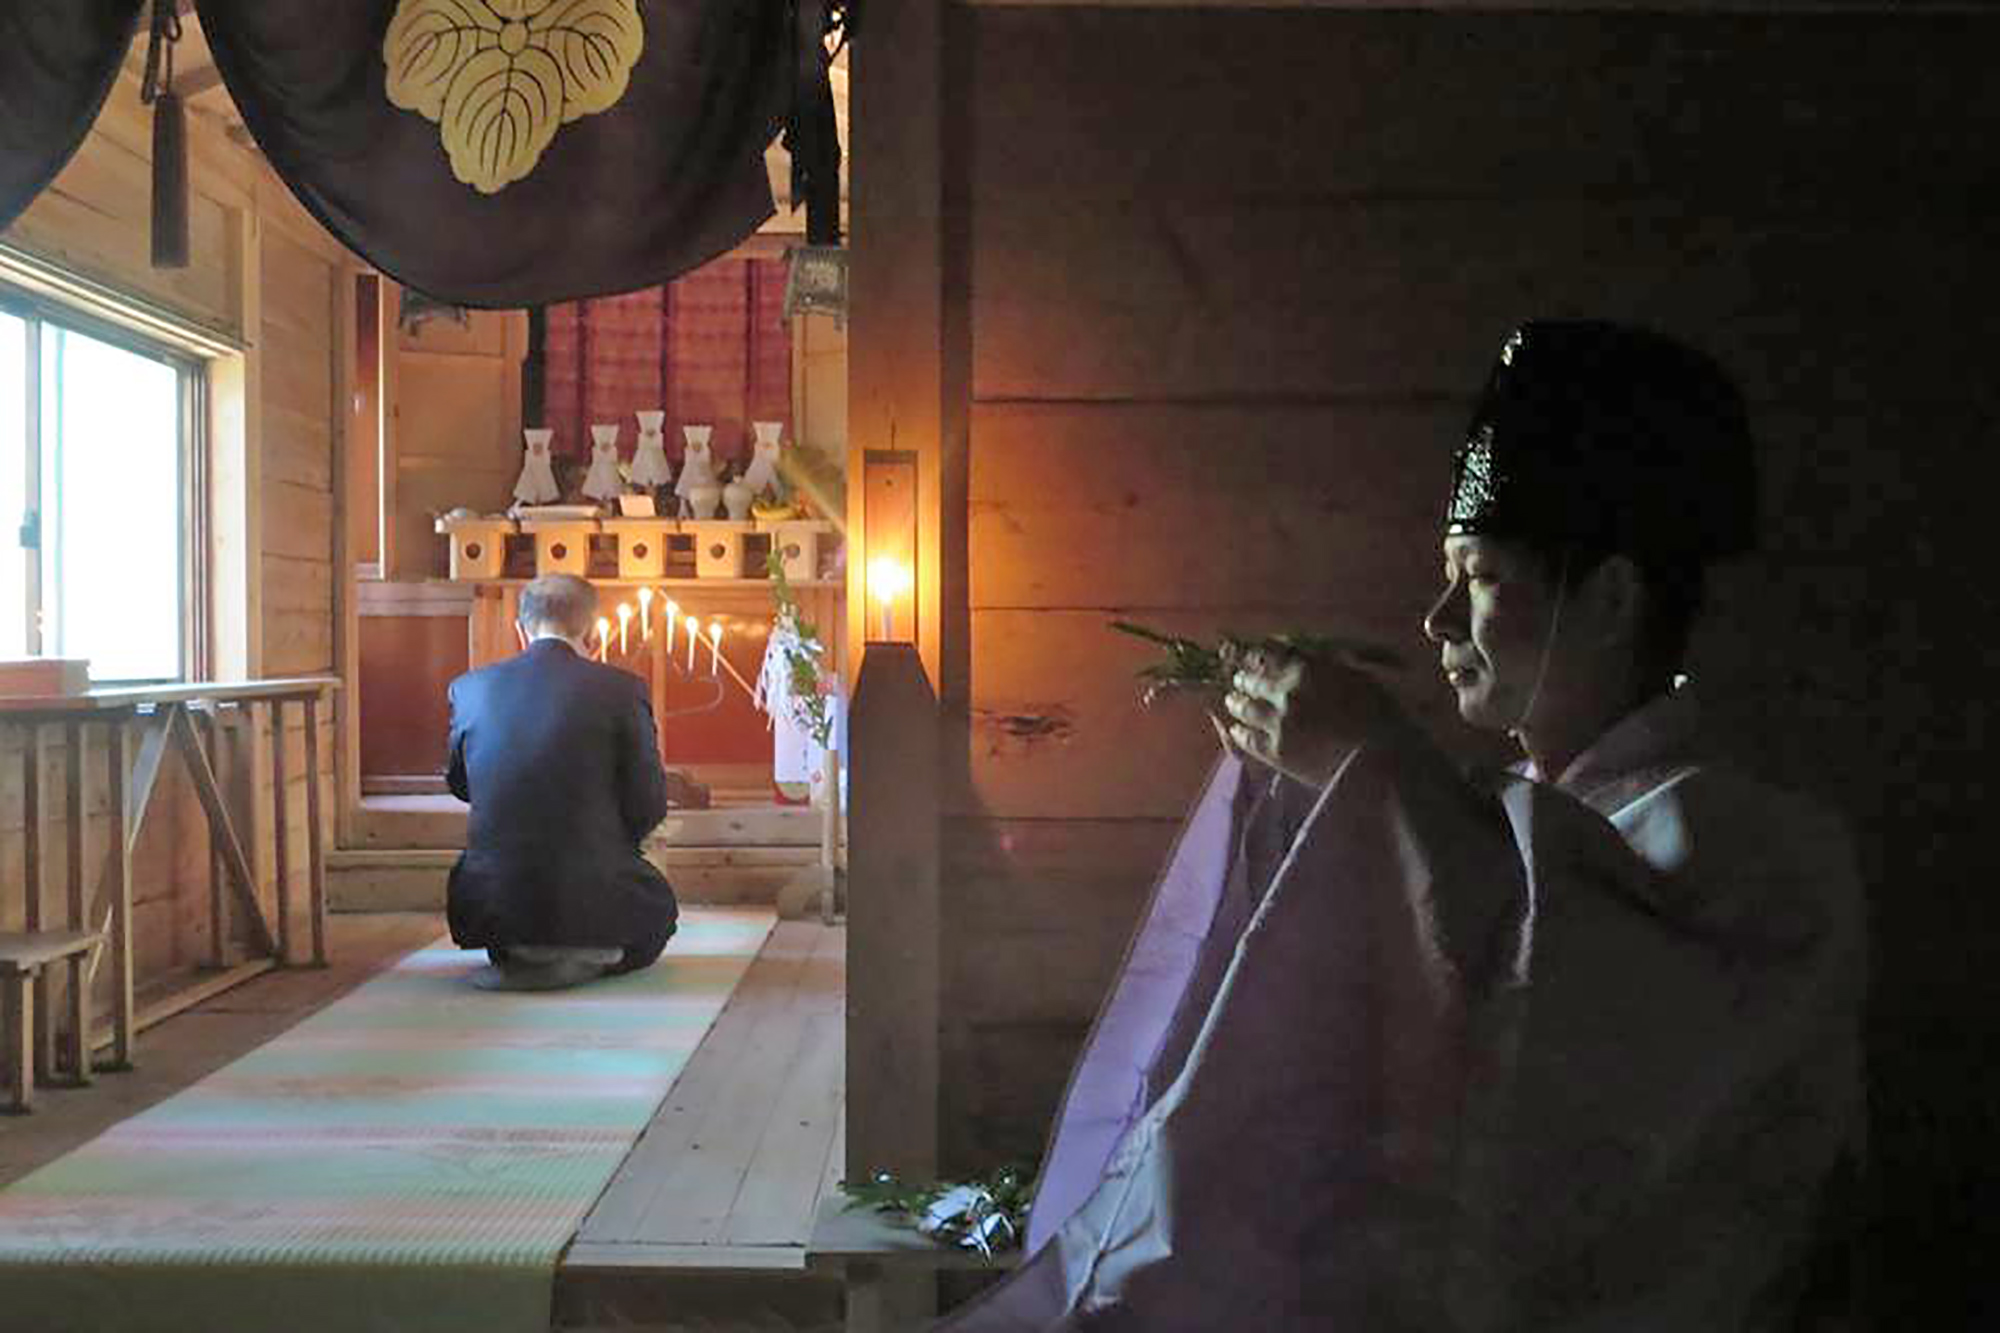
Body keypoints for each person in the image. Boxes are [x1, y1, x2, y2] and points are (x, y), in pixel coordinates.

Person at [935, 321, 1865, 1330]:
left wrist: (1370, 768)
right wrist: (1326, 787)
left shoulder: (1758, 855)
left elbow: (1585, 1057)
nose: (1436, 620)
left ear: (1606, 596)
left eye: (1477, 579)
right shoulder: (1504, 815)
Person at [445, 573, 680, 991]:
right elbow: (649, 803)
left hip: (491, 906)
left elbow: (462, 786)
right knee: (657, 912)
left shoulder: (469, 688)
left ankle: (526, 951)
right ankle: (590, 950)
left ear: (521, 626)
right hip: (597, 894)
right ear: (590, 626)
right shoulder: (621, 689)